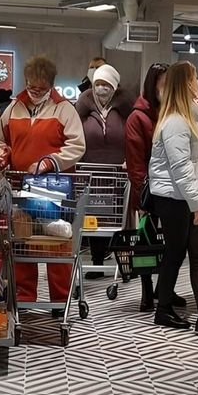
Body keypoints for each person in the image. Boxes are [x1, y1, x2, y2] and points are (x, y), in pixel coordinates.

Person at [0, 56, 85, 310]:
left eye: (41, 88)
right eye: (31, 87)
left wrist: (50, 161)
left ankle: (61, 300)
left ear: (51, 85)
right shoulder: (14, 107)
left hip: (56, 189)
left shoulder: (64, 109)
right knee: (22, 241)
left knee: (58, 243)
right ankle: (25, 296)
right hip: (20, 186)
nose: (35, 93)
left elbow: (77, 146)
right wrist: (1, 154)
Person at [145, 61, 198, 335]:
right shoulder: (176, 123)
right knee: (176, 252)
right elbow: (181, 168)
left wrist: (197, 200)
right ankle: (164, 309)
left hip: (186, 197)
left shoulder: (187, 118)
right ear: (186, 84)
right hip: (175, 199)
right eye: (195, 78)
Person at [125, 63, 185, 313]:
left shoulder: (171, 112)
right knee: (146, 244)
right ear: (153, 85)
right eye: (162, 83)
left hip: (171, 191)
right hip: (148, 193)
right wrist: (143, 197)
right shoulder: (137, 117)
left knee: (171, 244)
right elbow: (135, 162)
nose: (166, 89)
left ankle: (164, 289)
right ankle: (147, 291)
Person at [76, 63, 136, 277]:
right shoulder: (83, 106)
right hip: (92, 173)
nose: (102, 88)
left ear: (114, 87)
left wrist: (131, 160)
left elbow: (134, 136)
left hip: (119, 173)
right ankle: (97, 261)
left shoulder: (126, 107)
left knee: (122, 219)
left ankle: (126, 263)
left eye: (107, 85)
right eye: (98, 84)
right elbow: (73, 135)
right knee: (95, 218)